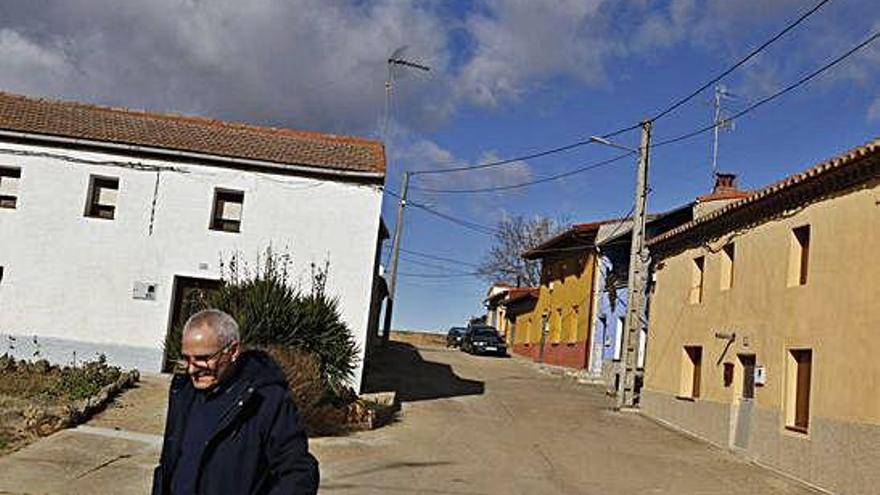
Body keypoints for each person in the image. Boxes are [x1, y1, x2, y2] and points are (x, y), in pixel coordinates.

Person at [152, 309, 319, 495]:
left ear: (232, 351)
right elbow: (169, 463)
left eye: (202, 359)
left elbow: (297, 475)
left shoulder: (266, 399)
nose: (191, 369)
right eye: (186, 359)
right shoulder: (183, 392)